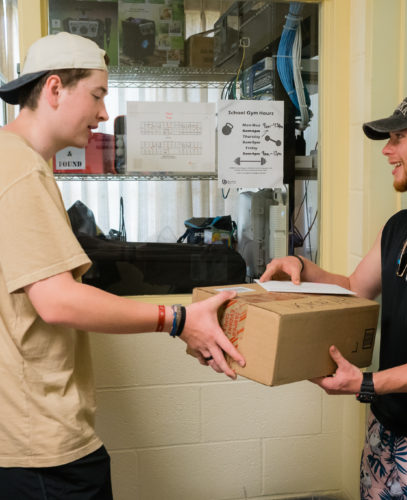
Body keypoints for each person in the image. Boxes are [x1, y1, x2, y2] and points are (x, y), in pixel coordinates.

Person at [0, 32, 244, 499]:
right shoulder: (22, 172)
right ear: (54, 89)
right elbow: (56, 301)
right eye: (96, 95)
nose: (103, 113)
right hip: (42, 446)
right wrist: (176, 319)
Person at [260, 88, 407, 498]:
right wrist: (301, 267)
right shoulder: (402, 224)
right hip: (387, 430)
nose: (387, 151)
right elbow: (355, 288)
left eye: (398, 138)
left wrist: (367, 383)